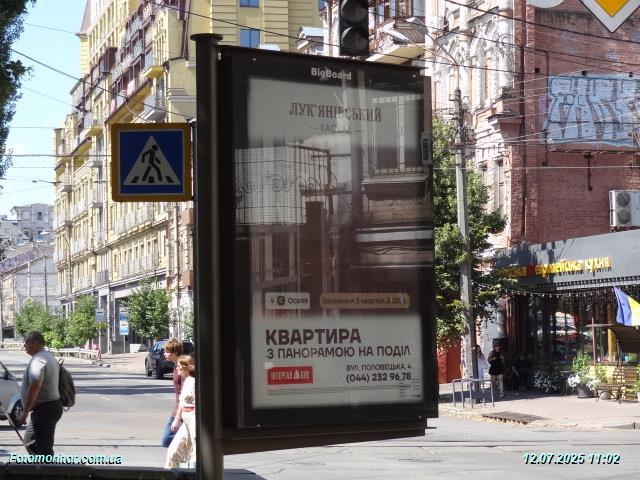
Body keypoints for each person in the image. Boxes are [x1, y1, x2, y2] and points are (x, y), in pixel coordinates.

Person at [19, 331, 63, 455]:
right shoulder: (47, 356)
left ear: (35, 343)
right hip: (49, 407)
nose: (25, 345)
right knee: (40, 444)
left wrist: (25, 412)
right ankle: (44, 465)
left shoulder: (38, 360)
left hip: (45, 409)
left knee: (34, 443)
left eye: (26, 342)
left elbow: (35, 386)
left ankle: (45, 466)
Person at [165, 355, 196, 469]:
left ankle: (192, 471)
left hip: (193, 418)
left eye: (179, 366)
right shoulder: (187, 381)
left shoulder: (193, 382)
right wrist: (176, 420)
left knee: (194, 450)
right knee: (174, 449)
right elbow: (181, 403)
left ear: (186, 367)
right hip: (186, 419)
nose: (177, 368)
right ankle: (171, 472)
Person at [161, 338, 184, 448]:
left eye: (167, 352)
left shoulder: (183, 368)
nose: (164, 354)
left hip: (183, 410)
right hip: (178, 409)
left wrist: (177, 418)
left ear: (175, 353)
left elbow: (185, 395)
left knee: (167, 440)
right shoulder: (176, 366)